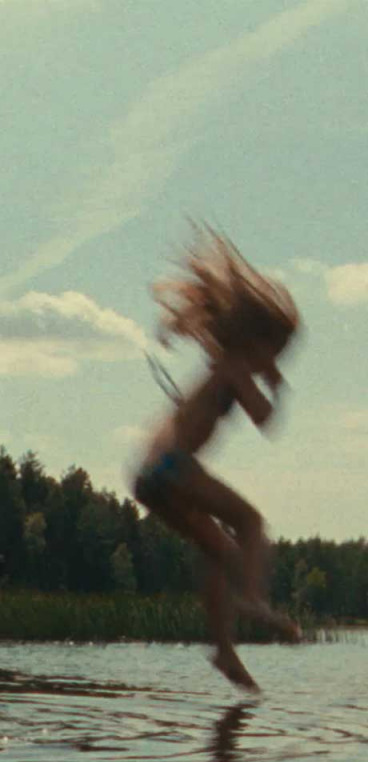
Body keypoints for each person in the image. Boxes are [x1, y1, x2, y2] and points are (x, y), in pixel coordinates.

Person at [132, 225, 302, 692]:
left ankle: (224, 651)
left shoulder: (224, 366)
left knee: (219, 552)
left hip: (151, 473)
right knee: (250, 521)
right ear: (257, 343)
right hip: (172, 468)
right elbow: (264, 419)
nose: (275, 361)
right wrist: (277, 386)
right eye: (275, 352)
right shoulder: (235, 367)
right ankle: (254, 601)